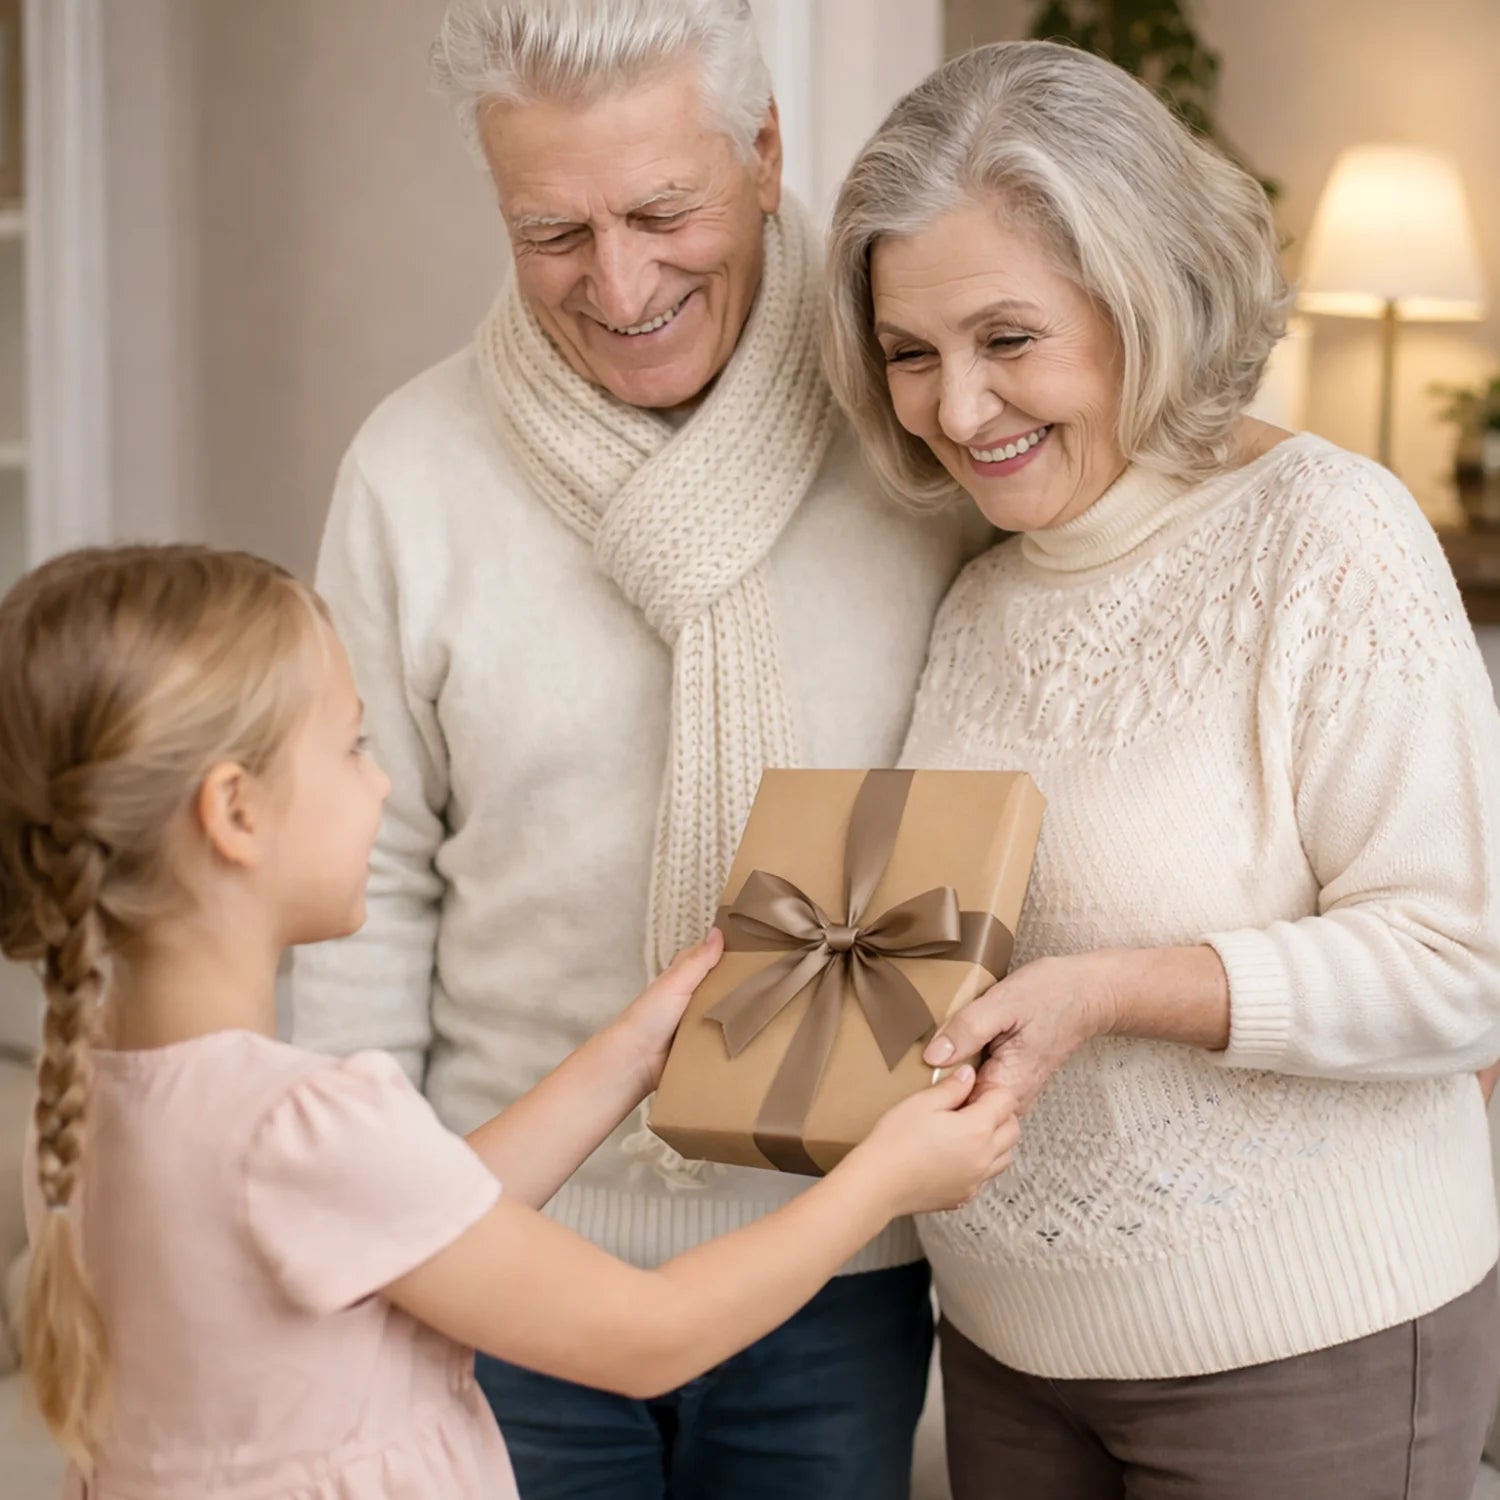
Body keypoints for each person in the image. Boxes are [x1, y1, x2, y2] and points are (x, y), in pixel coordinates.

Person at [293, 4, 986, 1496]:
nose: (619, 284)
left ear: (764, 156)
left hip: (836, 1259)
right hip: (498, 1258)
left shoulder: (920, 421)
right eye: (553, 232)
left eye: (663, 211)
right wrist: (368, 1232)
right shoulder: (411, 475)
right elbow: (363, 880)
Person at [823, 39, 1500, 1500]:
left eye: (1009, 340)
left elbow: (1462, 963)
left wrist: (1121, 988)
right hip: (1005, 1351)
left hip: (1305, 1347)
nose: (955, 410)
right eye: (912, 353)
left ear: (1144, 304)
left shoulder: (1328, 536)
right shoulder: (979, 593)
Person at [0, 543, 1018, 1499]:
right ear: (234, 812)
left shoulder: (102, 1099)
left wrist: (630, 1057)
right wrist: (884, 1176)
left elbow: (417, 1214)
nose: (382, 781)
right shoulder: (302, 1122)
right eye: (352, 747)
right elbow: (647, 1335)